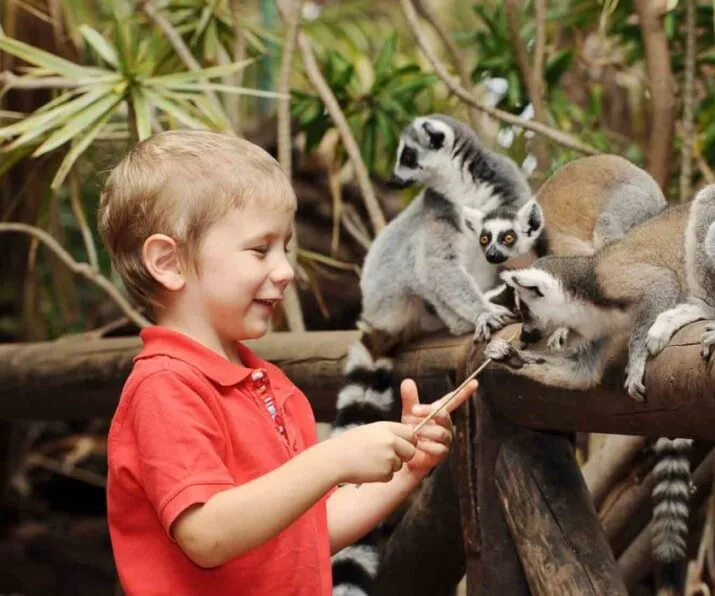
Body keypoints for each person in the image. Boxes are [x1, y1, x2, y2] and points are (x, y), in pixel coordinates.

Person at [98, 129, 477, 595]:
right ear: (169, 262)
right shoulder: (165, 387)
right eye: (260, 249)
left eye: (286, 248)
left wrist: (408, 467)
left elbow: (308, 533)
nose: (286, 270)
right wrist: (333, 459)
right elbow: (207, 534)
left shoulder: (271, 387)